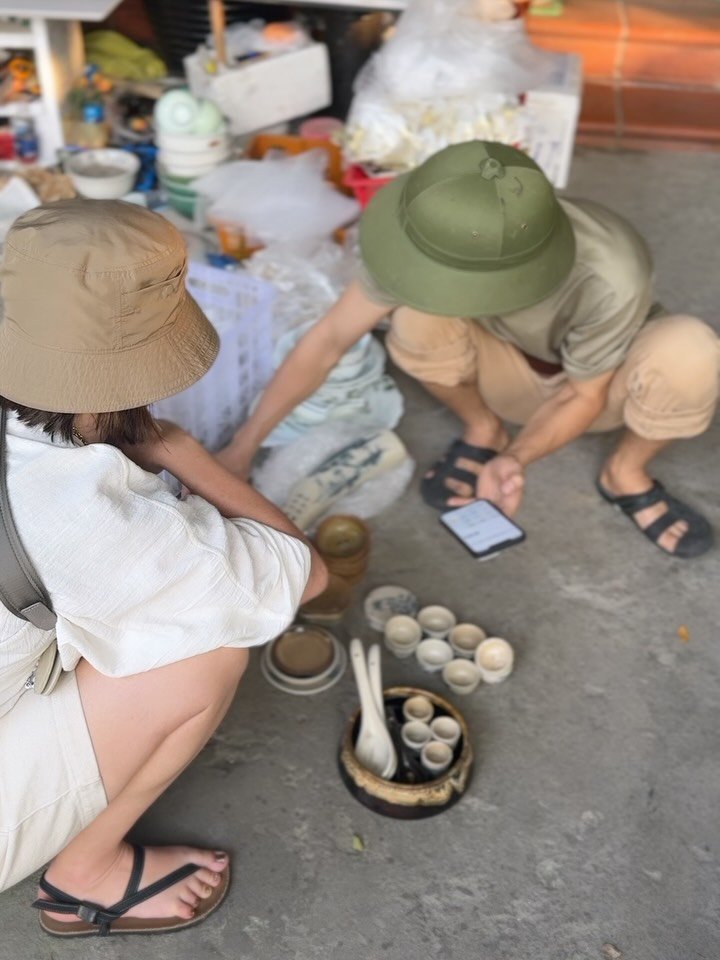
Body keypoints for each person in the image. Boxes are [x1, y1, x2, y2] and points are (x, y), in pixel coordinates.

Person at [0, 200, 327, 936]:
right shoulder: (84, 515)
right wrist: (180, 450)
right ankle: (84, 877)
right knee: (205, 654)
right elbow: (304, 576)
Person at [219, 140, 719, 559]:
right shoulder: (431, 227)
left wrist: (517, 460)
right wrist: (243, 449)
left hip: (598, 389)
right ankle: (483, 426)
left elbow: (582, 396)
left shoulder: (611, 269)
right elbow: (329, 339)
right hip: (496, 370)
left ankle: (624, 471)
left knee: (692, 351)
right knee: (415, 315)